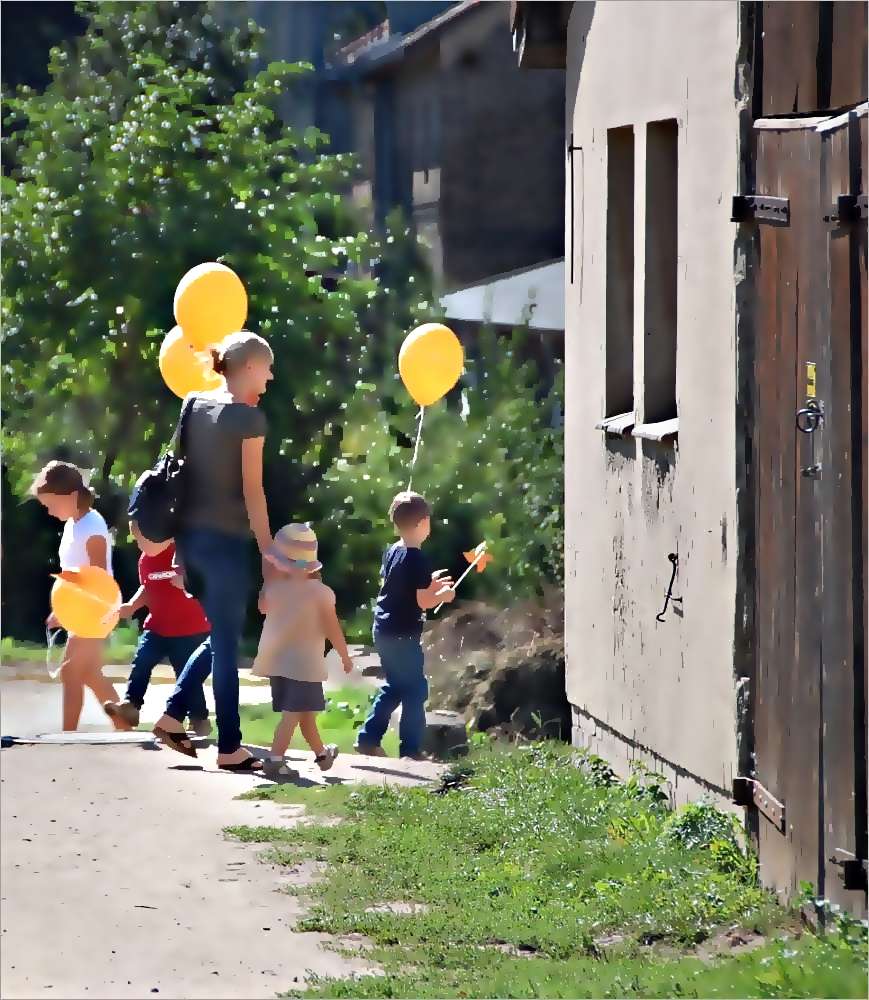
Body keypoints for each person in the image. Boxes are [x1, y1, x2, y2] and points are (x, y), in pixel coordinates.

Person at [152, 331, 273, 771]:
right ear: (247, 368)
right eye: (266, 367)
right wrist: (269, 553)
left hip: (193, 543)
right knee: (225, 644)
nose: (271, 376)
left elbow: (180, 484)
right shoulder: (249, 420)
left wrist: (181, 554)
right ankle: (230, 748)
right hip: (226, 547)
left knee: (218, 636)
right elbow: (254, 493)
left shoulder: (192, 405)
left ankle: (170, 717)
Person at [355, 491, 455, 761]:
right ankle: (410, 750)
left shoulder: (394, 551)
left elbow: (400, 585)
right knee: (415, 689)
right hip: (402, 634)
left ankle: (368, 738)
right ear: (423, 523)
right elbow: (422, 601)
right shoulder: (417, 558)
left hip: (383, 630)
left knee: (395, 686)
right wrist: (442, 596)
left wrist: (428, 582)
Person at [252, 523, 354, 781]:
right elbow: (332, 627)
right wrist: (344, 655)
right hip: (303, 665)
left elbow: (262, 608)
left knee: (305, 713)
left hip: (278, 663)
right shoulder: (321, 593)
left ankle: (322, 755)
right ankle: (275, 759)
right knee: (293, 714)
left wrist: (272, 578)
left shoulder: (274, 590)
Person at [31, 461, 127, 732]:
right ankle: (124, 722)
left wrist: (68, 612)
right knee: (88, 674)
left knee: (72, 671)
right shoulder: (76, 523)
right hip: (83, 614)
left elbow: (97, 578)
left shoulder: (91, 526)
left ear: (71, 497)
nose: (49, 512)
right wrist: (61, 609)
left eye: (51, 504)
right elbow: (73, 575)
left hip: (95, 614)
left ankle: (68, 735)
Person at [103, 521, 211, 737]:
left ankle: (199, 718)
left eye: (144, 538)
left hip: (189, 629)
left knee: (186, 675)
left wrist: (188, 581)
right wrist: (132, 605)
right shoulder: (145, 560)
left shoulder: (183, 552)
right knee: (141, 661)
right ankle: (131, 707)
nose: (141, 544)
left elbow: (207, 579)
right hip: (157, 626)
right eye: (137, 539)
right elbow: (148, 585)